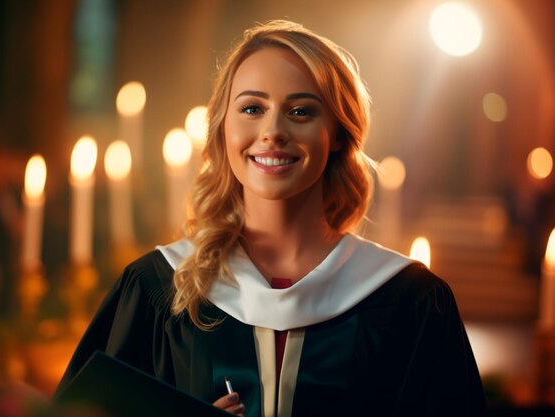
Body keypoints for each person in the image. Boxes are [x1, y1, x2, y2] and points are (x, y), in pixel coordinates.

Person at [55, 20, 486, 417]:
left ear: (337, 133)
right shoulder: (159, 290)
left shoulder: (408, 302)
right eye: (252, 108)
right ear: (223, 127)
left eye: (300, 111)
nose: (273, 131)